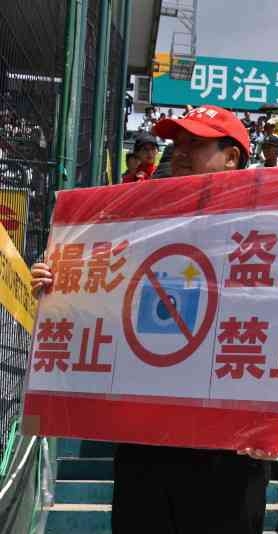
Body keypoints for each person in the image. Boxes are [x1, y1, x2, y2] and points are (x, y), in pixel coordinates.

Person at [31, 105, 265, 534]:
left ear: (232, 156)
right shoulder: (140, 222)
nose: (180, 151)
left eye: (196, 143)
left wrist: (277, 420)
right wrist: (58, 284)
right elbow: (104, 299)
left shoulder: (270, 225)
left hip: (226, 439)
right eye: (177, 142)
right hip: (147, 429)